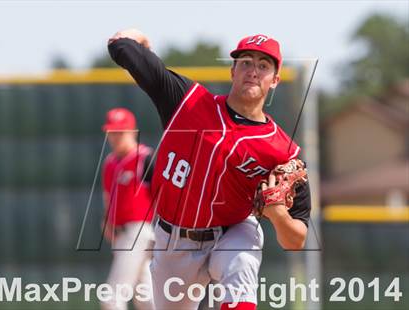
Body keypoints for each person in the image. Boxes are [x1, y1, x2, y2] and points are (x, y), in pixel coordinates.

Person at [108, 30, 311, 310]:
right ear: (233, 71)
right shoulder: (187, 102)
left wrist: (278, 216)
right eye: (246, 62)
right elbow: (120, 48)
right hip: (173, 240)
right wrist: (135, 41)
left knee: (240, 264)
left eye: (264, 66)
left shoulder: (282, 151)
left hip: (232, 231)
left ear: (275, 80)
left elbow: (296, 240)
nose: (253, 71)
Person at [101, 107, 155, 310]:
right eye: (111, 133)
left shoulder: (145, 159)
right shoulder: (109, 163)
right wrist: (106, 221)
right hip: (121, 235)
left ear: (133, 132)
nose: (114, 137)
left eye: (119, 132)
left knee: (111, 298)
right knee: (146, 298)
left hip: (140, 232)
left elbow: (162, 197)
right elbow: (109, 198)